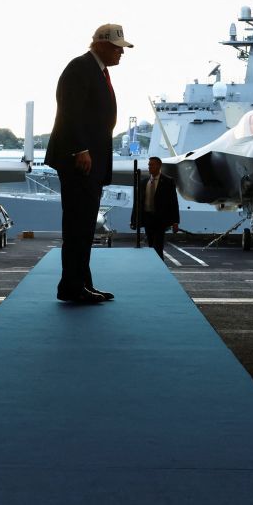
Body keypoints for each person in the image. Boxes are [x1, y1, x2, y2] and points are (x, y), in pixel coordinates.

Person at [44, 23, 132, 303]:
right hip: (79, 161)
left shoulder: (96, 70)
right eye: (119, 47)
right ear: (103, 45)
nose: (122, 53)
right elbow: (70, 110)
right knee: (78, 225)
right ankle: (71, 286)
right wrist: (80, 148)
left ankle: (81, 281)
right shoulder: (80, 67)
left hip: (89, 160)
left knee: (83, 225)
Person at [130, 155, 180, 259]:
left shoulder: (168, 181)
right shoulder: (144, 182)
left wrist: (175, 222)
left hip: (160, 220)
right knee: (151, 245)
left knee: (158, 246)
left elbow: (173, 202)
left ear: (159, 166)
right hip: (147, 219)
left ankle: (160, 266)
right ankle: (154, 265)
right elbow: (137, 202)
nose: (149, 167)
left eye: (152, 165)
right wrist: (133, 220)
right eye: (149, 165)